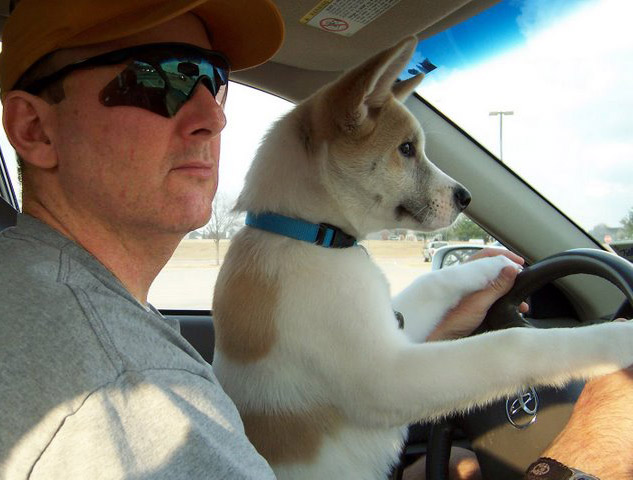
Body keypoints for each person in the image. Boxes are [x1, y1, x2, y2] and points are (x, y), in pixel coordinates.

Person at [0, 1, 628, 479]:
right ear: (34, 129)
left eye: (213, 80)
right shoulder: (119, 388)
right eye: (160, 78)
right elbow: (378, 385)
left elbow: (343, 371)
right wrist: (576, 459)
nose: (213, 115)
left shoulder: (61, 303)